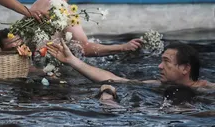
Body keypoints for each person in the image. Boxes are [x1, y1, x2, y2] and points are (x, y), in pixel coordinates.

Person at [46, 39, 215, 89]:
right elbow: (113, 79)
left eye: (166, 62)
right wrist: (72, 60)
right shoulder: (157, 84)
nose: (159, 67)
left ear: (185, 68)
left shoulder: (207, 89)